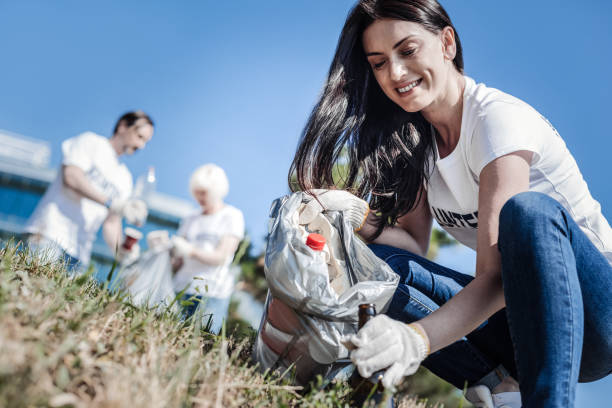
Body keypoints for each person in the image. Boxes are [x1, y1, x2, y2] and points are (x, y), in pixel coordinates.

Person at [288, 1, 612, 407]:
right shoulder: (415, 145)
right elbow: (410, 246)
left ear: (446, 42)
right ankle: (499, 386)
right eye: (379, 63)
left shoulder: (497, 121)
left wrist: (415, 340)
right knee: (377, 266)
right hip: (518, 322)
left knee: (528, 213)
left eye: (407, 51)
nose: (396, 74)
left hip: (596, 318)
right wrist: (350, 217)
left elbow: (494, 277)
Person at [25, 111, 153, 270]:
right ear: (122, 126)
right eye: (140, 137)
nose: (141, 145)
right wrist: (110, 202)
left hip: (79, 254)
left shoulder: (125, 178)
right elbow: (71, 177)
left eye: (145, 141)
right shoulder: (91, 142)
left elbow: (111, 223)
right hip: (50, 234)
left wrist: (122, 250)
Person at [170, 164, 244, 334]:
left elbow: (222, 256)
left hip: (212, 292)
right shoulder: (190, 218)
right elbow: (177, 262)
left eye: (204, 192)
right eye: (197, 192)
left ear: (217, 190)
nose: (199, 197)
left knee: (203, 340)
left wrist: (191, 251)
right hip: (182, 287)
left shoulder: (231, 216)